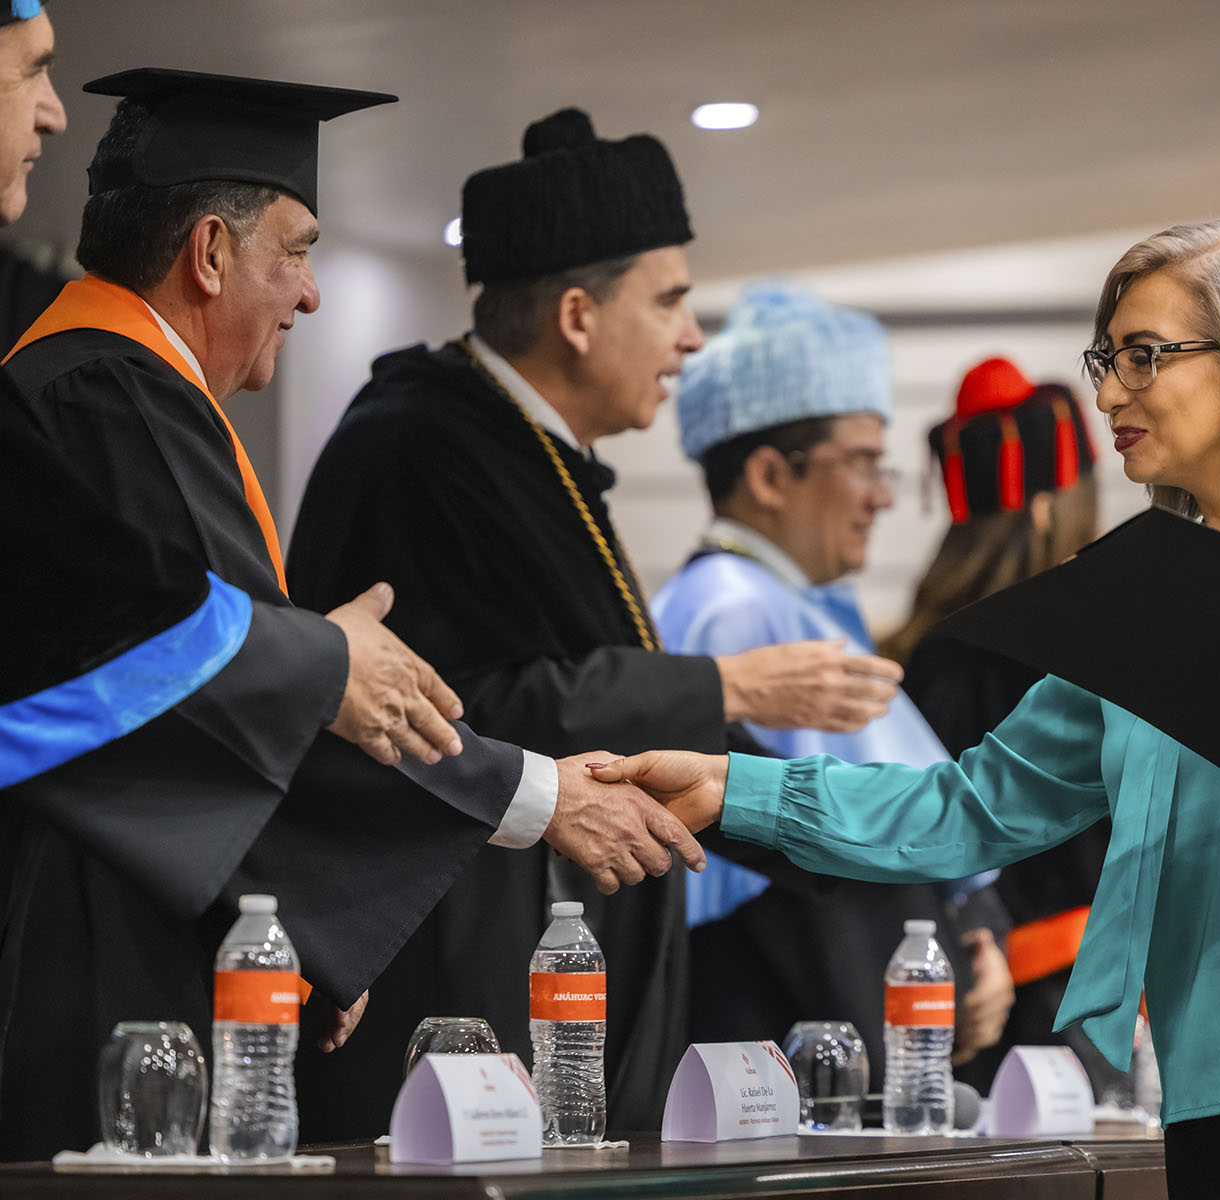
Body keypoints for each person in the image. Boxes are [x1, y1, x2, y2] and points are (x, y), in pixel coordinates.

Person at [598, 217, 1220, 1197]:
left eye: (1144, 357)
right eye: (1107, 359)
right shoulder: (1144, 594)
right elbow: (970, 807)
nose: (1107, 393)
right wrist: (731, 788)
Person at [0, 67, 700, 1161]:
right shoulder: (103, 397)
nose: (312, 293)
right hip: (84, 944)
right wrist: (510, 781)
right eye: (298, 249)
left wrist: (284, 922)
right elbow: (182, 685)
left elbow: (209, 697)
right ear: (211, 255)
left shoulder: (128, 397)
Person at [285, 112, 903, 1134]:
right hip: (464, 991)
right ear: (578, 314)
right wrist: (731, 687)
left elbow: (599, 697)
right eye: (670, 302)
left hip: (562, 966)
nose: (692, 337)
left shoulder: (533, 450)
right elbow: (467, 709)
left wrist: (846, 832)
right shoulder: (420, 446)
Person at [652, 281, 1014, 1084]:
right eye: (861, 464)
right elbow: (785, 882)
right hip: (793, 1046)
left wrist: (974, 934)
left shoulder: (804, 603)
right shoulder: (728, 611)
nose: (884, 495)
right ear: (771, 476)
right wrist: (925, 1003)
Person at [880, 355, 1119, 1096]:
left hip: (963, 984)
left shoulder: (920, 648)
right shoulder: (1090, 639)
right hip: (1077, 1000)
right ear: (1049, 501)